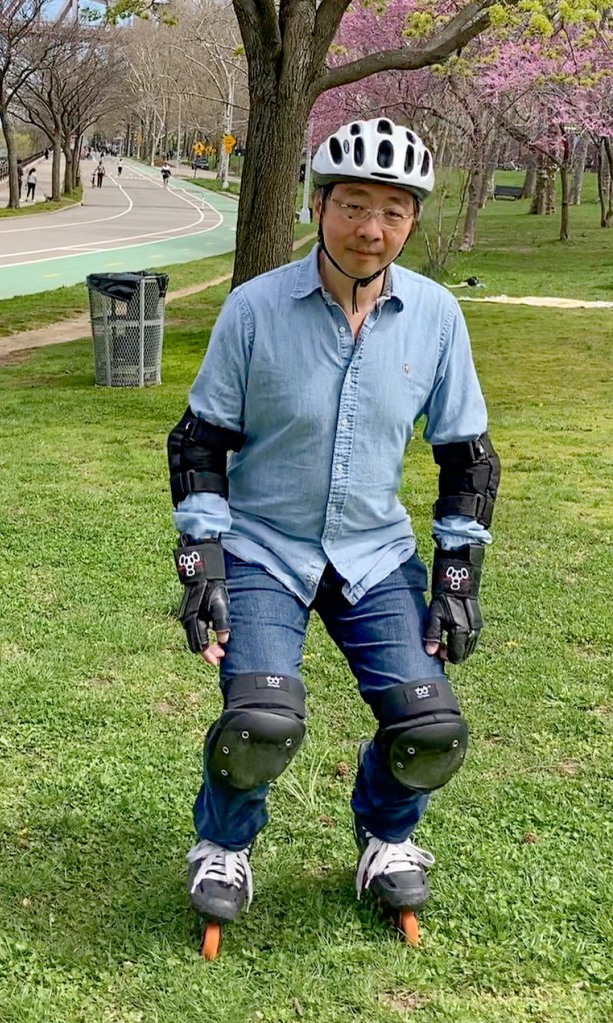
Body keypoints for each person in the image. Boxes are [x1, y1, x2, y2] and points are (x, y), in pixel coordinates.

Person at [167, 117, 500, 952]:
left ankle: (385, 836)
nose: (370, 229)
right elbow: (200, 442)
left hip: (373, 552)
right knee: (260, 724)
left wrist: (456, 578)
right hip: (262, 547)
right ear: (319, 205)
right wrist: (202, 562)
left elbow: (466, 457)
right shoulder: (254, 309)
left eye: (392, 211)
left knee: (428, 733)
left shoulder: (435, 317)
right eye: (353, 205)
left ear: (412, 221)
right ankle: (224, 844)